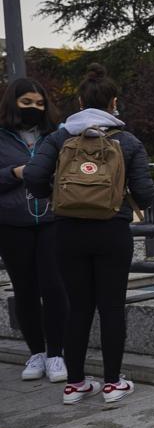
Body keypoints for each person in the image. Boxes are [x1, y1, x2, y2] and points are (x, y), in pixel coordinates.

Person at [24, 64, 154, 404]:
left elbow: (35, 176)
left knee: (77, 306)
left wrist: (53, 196)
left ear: (80, 101)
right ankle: (112, 383)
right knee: (111, 307)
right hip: (112, 229)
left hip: (67, 232)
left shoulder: (59, 137)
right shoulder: (127, 141)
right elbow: (145, 191)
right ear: (114, 102)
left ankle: (76, 383)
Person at [0, 78, 68, 383]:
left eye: (39, 104)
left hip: (52, 221)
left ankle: (56, 353)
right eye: (26, 102)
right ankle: (36, 352)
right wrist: (14, 173)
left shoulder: (56, 135)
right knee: (25, 290)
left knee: (54, 287)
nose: (33, 109)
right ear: (13, 103)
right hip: (13, 223)